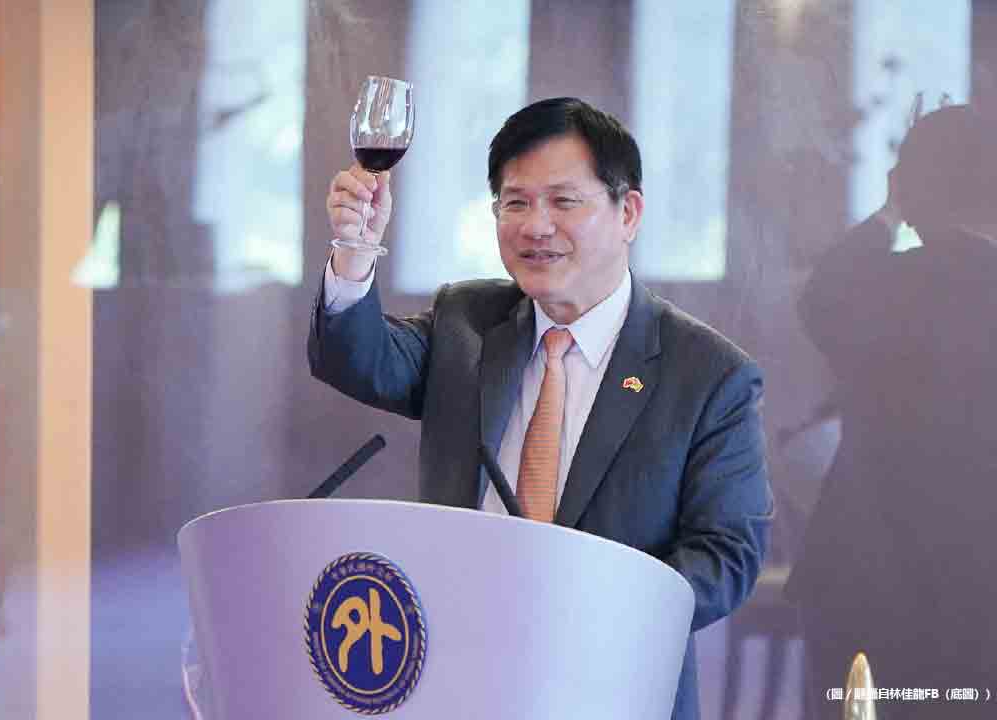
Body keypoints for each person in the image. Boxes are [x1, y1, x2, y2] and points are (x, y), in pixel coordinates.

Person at [307, 96, 773, 720]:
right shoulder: (467, 322)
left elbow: (726, 554)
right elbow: (358, 361)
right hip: (449, 679)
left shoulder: (709, 375)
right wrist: (355, 251)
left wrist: (588, 609)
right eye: (516, 203)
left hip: (609, 686)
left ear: (628, 212)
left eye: (563, 201)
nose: (535, 226)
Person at [790, 103, 997, 719]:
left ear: (912, 189)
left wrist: (889, 213)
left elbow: (822, 298)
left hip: (868, 577)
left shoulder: (881, 286)